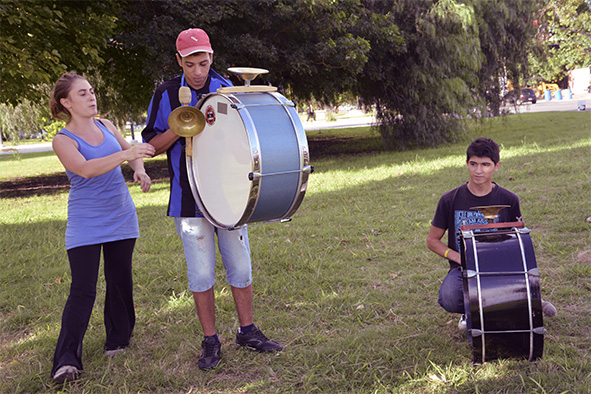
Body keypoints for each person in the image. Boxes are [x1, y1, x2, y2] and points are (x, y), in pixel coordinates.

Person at [141, 28, 282, 370]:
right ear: (179, 61)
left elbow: (247, 145)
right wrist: (182, 124)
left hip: (230, 195)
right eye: (190, 64)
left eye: (203, 63)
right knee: (201, 275)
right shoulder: (166, 93)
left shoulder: (228, 91)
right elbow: (150, 147)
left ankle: (247, 331)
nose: (198, 71)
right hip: (188, 199)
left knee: (241, 267)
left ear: (212, 58)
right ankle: (210, 341)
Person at [49, 72, 155, 383]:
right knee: (83, 290)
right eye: (82, 94)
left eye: (92, 91)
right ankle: (66, 360)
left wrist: (140, 171)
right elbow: (84, 169)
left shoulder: (107, 125)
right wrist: (126, 155)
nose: (91, 97)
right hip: (86, 222)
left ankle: (118, 341)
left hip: (121, 216)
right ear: (66, 102)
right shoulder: (63, 139)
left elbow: (132, 155)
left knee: (120, 280)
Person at [426, 137, 556, 331]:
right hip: (464, 270)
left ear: (497, 166)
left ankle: (521, 301)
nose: (479, 170)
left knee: (505, 300)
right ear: (467, 164)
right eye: (473, 164)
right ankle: (473, 309)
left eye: (486, 164)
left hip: (501, 268)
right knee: (449, 298)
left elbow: (518, 241)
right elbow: (432, 240)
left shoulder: (509, 199)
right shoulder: (449, 199)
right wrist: (458, 258)